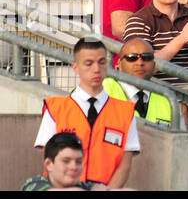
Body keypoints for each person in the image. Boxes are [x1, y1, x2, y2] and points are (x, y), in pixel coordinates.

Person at [34, 38, 140, 187]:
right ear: (75, 67)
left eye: (102, 62)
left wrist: (106, 191)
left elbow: (125, 164)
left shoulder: (125, 112)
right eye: (88, 64)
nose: (96, 69)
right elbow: (49, 159)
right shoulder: (55, 108)